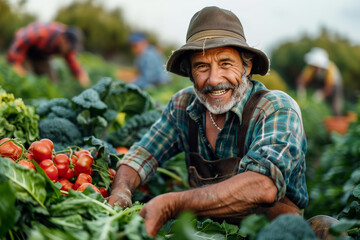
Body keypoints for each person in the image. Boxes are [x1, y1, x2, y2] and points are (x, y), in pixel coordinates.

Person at [108, 6, 308, 237]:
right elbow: (142, 154)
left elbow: (263, 185)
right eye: (202, 66)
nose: (213, 80)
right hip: (208, 234)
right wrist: (121, 190)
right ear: (191, 73)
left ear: (247, 66)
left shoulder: (275, 108)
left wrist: (173, 204)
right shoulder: (182, 106)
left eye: (225, 63)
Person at [7, 22, 90, 87]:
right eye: (70, 48)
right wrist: (17, 68)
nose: (70, 51)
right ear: (63, 39)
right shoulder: (40, 33)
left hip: (41, 55)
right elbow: (17, 48)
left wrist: (85, 83)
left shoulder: (66, 48)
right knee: (26, 79)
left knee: (51, 83)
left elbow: (75, 65)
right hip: (24, 51)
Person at [297, 47, 344, 116]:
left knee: (335, 106)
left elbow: (330, 86)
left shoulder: (330, 69)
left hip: (335, 87)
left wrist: (321, 95)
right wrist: (301, 89)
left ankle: (337, 118)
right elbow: (303, 79)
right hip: (323, 85)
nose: (313, 67)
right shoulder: (311, 67)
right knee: (323, 106)